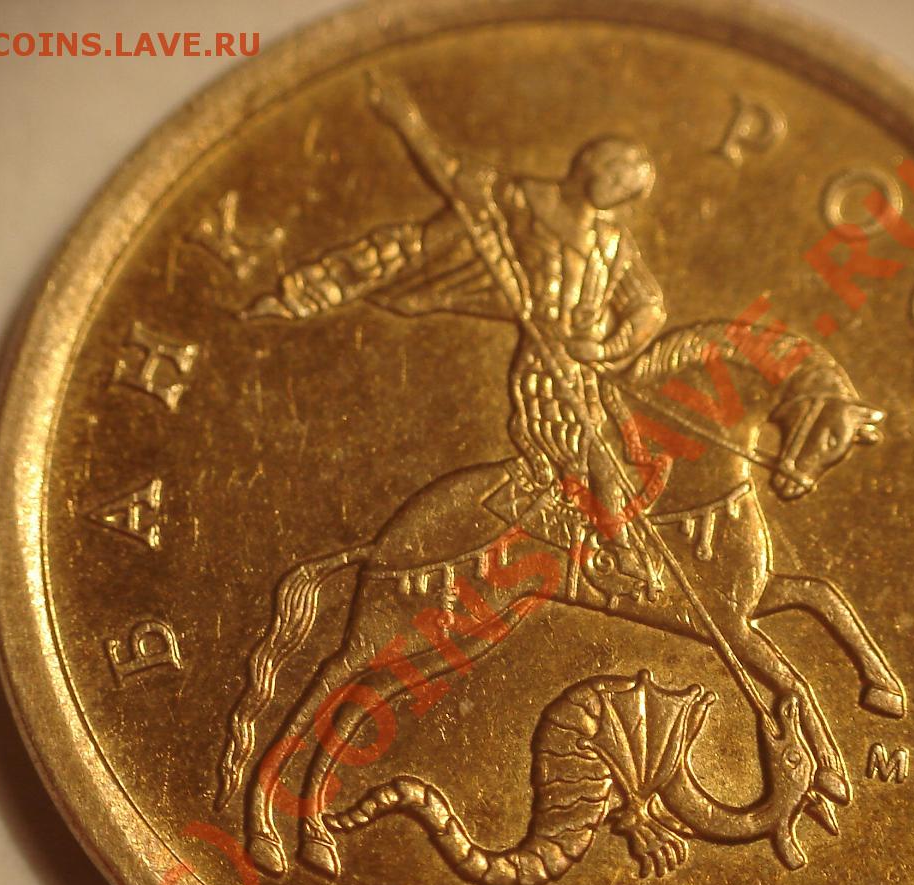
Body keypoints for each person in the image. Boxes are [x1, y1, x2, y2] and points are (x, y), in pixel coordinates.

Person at [243, 76, 667, 589]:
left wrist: (606, 345)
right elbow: (450, 172)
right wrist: (407, 122)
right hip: (544, 361)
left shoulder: (613, 243)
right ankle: (614, 550)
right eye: (618, 174)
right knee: (584, 446)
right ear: (591, 162)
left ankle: (593, 537)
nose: (620, 188)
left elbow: (649, 306)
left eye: (629, 186)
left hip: (582, 364)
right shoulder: (521, 201)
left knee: (615, 447)